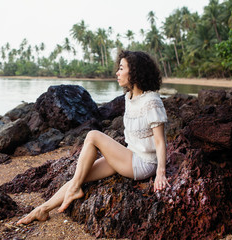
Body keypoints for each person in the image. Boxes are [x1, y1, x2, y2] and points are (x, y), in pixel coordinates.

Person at [17, 50, 170, 225]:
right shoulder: (130, 97)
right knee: (80, 176)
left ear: (135, 71)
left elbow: (159, 140)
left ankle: (73, 190)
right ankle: (42, 210)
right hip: (129, 156)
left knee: (93, 136)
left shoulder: (152, 101)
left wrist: (161, 173)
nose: (117, 73)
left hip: (143, 164)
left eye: (121, 68)